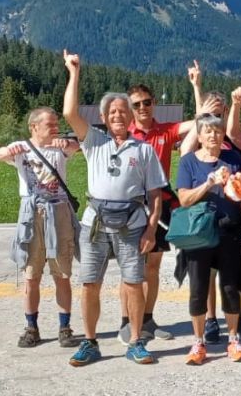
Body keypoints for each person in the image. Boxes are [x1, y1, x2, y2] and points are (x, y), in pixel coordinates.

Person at [62, 50, 167, 366]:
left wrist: (151, 229)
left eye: (124, 110)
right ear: (104, 118)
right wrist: (74, 72)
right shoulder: (93, 141)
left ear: (131, 117)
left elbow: (156, 195)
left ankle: (135, 341)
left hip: (133, 225)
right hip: (95, 224)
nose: (119, 115)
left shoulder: (144, 150)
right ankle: (91, 342)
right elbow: (69, 112)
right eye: (113, 112)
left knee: (134, 283)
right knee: (90, 283)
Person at [0, 107, 80, 349]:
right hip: (32, 215)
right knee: (32, 276)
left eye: (56, 124)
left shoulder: (59, 148)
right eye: (50, 125)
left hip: (58, 211)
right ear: (34, 127)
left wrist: (67, 144)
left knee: (62, 274)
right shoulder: (22, 148)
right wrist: (9, 150)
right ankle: (31, 327)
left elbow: (76, 148)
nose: (55, 129)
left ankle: (65, 327)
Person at [118, 80, 196, 344]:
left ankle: (148, 319)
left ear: (154, 103)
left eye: (147, 102)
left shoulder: (166, 131)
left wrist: (196, 86)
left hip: (158, 204)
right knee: (130, 267)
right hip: (130, 206)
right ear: (130, 108)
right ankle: (127, 321)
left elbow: (200, 121)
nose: (142, 108)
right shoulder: (123, 135)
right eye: (136, 104)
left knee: (152, 265)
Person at [177, 113, 241, 364]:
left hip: (229, 231)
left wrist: (238, 183)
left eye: (217, 131)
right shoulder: (188, 162)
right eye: (208, 131)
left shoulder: (233, 158)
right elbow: (184, 199)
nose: (213, 135)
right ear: (199, 134)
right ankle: (198, 343)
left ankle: (233, 339)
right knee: (198, 289)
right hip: (199, 234)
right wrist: (208, 184)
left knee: (230, 287)